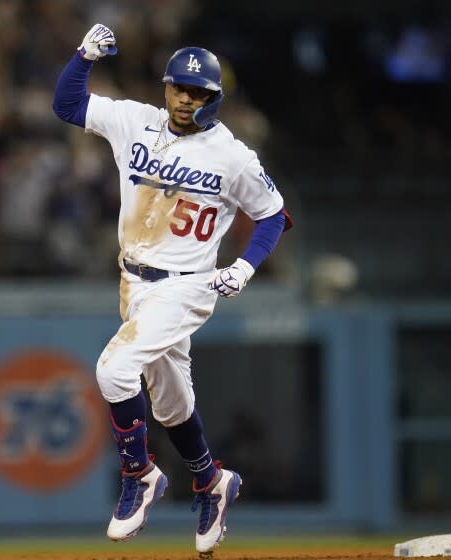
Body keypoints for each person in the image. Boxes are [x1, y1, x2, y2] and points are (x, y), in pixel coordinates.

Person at [52, 24, 292, 556]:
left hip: (186, 286)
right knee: (171, 404)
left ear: (215, 99)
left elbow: (274, 215)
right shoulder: (136, 121)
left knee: (113, 370)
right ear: (168, 89)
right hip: (133, 281)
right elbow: (68, 105)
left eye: (199, 92)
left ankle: (140, 475)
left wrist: (246, 267)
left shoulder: (231, 155)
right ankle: (210, 480)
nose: (187, 99)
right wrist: (84, 56)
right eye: (180, 88)